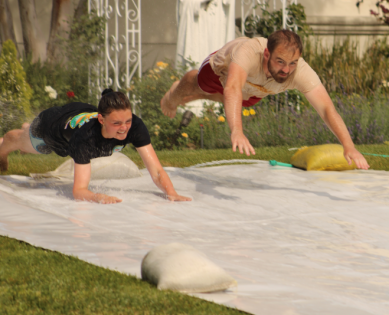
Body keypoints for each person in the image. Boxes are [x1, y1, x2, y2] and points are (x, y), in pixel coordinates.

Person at [161, 30, 370, 170]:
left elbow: (326, 109)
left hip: (251, 92)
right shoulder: (249, 52)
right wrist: (237, 131)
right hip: (221, 70)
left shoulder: (300, 72)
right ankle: (174, 95)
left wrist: (348, 145)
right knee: (200, 84)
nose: (286, 70)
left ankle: (195, 96)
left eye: (292, 63)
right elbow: (232, 87)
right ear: (267, 54)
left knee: (241, 100)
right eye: (280, 62)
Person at [0, 89, 192, 204]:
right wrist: (98, 197)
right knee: (27, 143)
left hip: (80, 116)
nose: (124, 128)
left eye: (127, 121)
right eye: (116, 123)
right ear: (102, 119)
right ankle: (3, 148)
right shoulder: (85, 138)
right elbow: (79, 190)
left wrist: (171, 193)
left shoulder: (135, 126)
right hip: (51, 127)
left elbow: (157, 171)